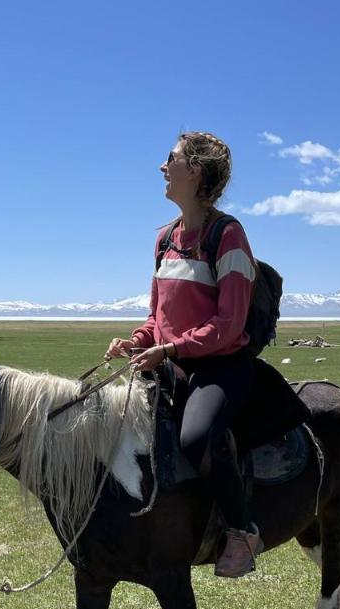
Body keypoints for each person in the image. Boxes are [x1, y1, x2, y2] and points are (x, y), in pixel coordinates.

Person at [106, 132, 263, 578]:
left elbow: (229, 324)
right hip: (169, 361)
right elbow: (158, 316)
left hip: (221, 366)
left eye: (170, 159)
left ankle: (242, 528)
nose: (162, 167)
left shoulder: (227, 235)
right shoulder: (163, 240)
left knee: (196, 438)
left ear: (194, 170)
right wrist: (137, 341)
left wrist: (170, 348)